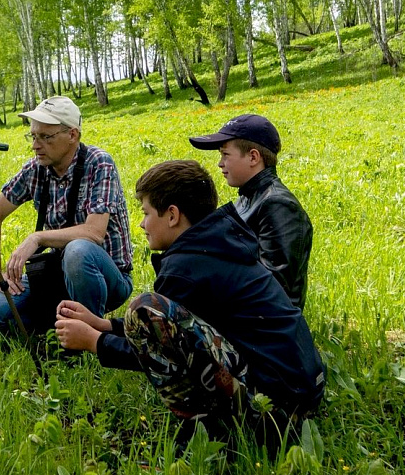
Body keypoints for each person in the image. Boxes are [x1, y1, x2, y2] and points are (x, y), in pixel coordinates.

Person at [54, 160, 325, 450]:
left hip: (271, 410)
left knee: (145, 307)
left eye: (146, 213)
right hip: (302, 392)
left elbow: (158, 349)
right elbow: (193, 325)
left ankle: (209, 433)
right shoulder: (218, 243)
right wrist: (105, 325)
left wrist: (94, 342)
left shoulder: (185, 269)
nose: (142, 224)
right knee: (149, 314)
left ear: (172, 215)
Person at [0, 96, 133, 335]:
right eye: (33, 136)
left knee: (78, 250)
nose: (35, 145)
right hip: (56, 274)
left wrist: (37, 237)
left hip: (107, 277)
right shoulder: (36, 168)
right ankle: (53, 328)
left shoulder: (99, 163)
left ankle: (90, 337)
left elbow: (94, 233)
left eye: (45, 137)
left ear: (72, 135)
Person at [189, 114, 313, 309]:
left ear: (253, 157)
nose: (220, 163)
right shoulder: (248, 198)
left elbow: (273, 287)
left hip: (264, 325)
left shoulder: (278, 205)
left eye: (225, 154)